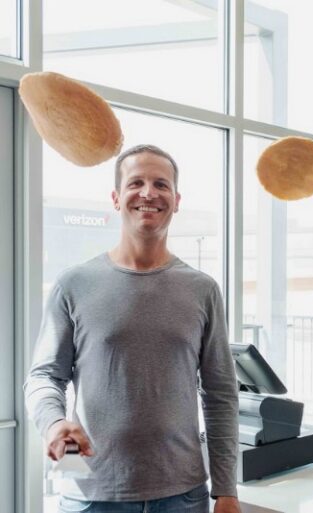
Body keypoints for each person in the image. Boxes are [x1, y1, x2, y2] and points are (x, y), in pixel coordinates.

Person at [24, 144, 240, 513]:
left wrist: (226, 489)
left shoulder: (203, 290)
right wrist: (54, 422)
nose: (148, 193)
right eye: (136, 183)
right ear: (116, 198)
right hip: (91, 495)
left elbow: (220, 393)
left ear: (176, 200)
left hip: (183, 496)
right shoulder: (74, 284)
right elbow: (44, 376)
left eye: (161, 184)